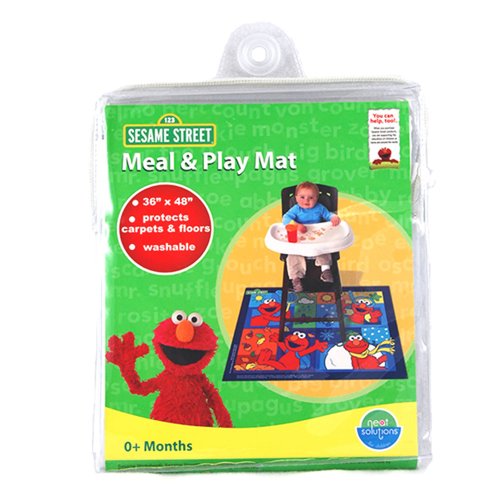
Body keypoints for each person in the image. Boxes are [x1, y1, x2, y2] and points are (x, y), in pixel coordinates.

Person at [283, 182, 341, 292]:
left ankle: (325, 270)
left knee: (326, 248)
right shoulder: (296, 209)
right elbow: (286, 218)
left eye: (311, 197)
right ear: (296, 198)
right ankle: (296, 279)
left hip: (316, 239)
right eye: (302, 197)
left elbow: (328, 215)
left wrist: (333, 218)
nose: (306, 200)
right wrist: (296, 225)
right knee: (292, 254)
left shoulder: (320, 208)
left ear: (317, 198)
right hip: (299, 241)